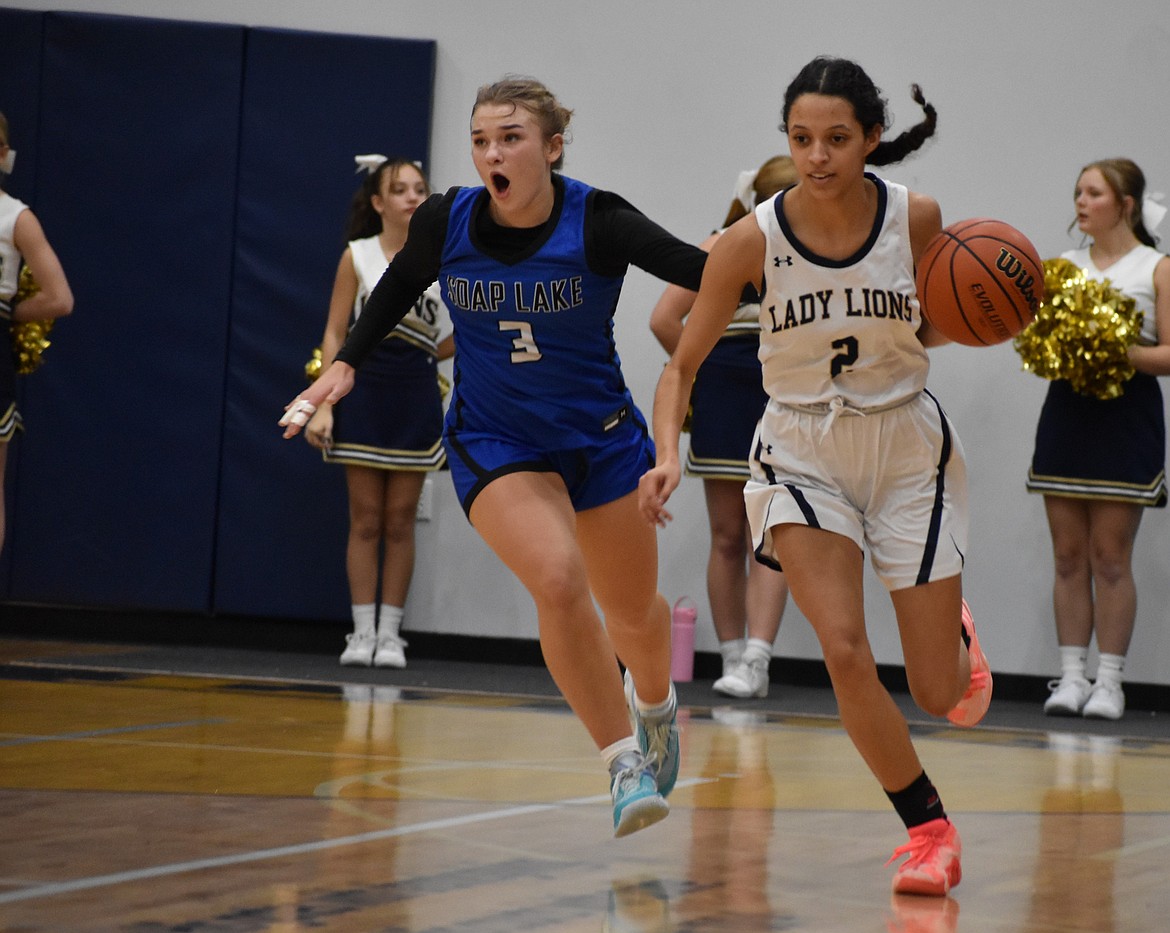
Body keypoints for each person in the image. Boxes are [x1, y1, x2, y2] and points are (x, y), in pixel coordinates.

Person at [281, 76, 708, 837]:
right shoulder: (446, 219)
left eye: (511, 138)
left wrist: (774, 246)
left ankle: (654, 704)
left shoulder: (599, 220)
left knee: (633, 615)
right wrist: (343, 365)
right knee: (558, 578)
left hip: (601, 440)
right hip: (495, 439)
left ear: (552, 148)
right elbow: (396, 289)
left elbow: (700, 270)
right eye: (481, 140)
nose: (492, 154)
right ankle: (623, 763)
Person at [638, 56, 992, 895]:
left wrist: (981, 312)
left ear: (872, 138)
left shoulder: (916, 217)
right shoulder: (749, 240)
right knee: (842, 648)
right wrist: (666, 454)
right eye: (801, 138)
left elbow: (933, 322)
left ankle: (955, 638)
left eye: (836, 138)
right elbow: (680, 363)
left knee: (937, 692)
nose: (817, 155)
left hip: (905, 447)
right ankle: (930, 831)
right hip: (800, 447)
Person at [1028, 158, 1170, 721]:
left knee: (1110, 557)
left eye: (1093, 193)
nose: (1081, 203)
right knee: (1067, 556)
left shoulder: (1156, 268)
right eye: (1078, 193)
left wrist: (1117, 350)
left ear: (1125, 205)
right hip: (1068, 413)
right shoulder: (1064, 268)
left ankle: (1110, 682)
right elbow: (1039, 343)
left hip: (1126, 418)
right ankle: (1070, 677)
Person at [648, 156, 795, 699]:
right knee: (728, 534)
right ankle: (733, 655)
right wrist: (702, 374)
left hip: (785, 399)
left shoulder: (813, 251)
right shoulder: (721, 244)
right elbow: (664, 318)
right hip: (725, 400)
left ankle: (758, 658)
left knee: (772, 533)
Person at [304, 156, 454, 669]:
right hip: (364, 394)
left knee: (400, 520)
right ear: (378, 202)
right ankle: (362, 631)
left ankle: (391, 634)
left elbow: (462, 332)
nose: (412, 197)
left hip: (415, 398)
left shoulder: (443, 259)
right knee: (366, 519)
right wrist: (323, 404)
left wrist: (431, 355)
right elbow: (334, 333)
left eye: (419, 188)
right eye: (400, 189)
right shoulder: (358, 255)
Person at [0, 111, 73, 556]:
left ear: (3, 154)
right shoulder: (16, 217)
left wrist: (8, 314)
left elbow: (60, 298)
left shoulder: (16, 217)